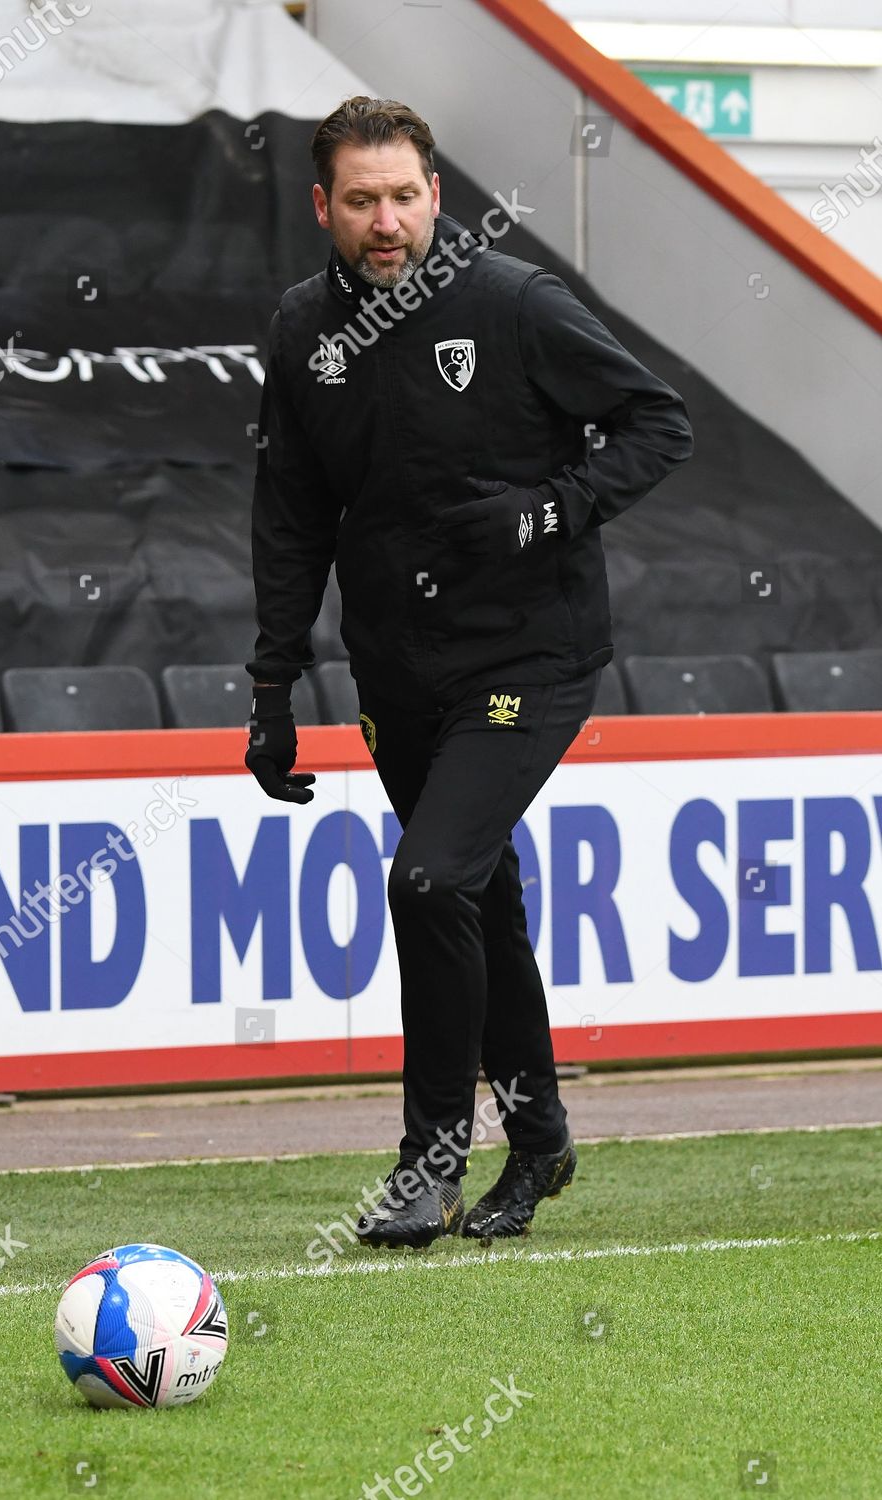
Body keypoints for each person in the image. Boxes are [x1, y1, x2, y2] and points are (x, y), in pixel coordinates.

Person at [245, 96, 693, 1249]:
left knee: (431, 882)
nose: (384, 220)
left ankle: (428, 1159)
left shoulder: (511, 302)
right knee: (478, 903)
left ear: (436, 195)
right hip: (395, 669)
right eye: (360, 201)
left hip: (528, 654)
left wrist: (549, 511)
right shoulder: (302, 334)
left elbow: (657, 420)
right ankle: (538, 1140)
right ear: (323, 208)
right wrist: (272, 687)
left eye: (403, 196)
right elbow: (289, 515)